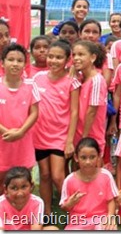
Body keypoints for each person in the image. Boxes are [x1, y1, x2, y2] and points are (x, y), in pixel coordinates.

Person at [32, 40, 80, 215]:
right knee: (44, 175)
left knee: (58, 176)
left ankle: (74, 211)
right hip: (39, 135)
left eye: (59, 57)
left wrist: (69, 141)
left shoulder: (72, 81)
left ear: (68, 59)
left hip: (60, 136)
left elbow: (75, 112)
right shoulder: (37, 78)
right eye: (51, 56)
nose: (53, 61)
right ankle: (45, 212)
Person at [0, 43, 40, 188]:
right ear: (2, 63)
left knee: (23, 181)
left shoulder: (30, 85)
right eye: (11, 59)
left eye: (19, 60)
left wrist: (21, 132)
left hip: (23, 143)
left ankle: (22, 211)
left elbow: (34, 112)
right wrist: (7, 132)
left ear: (25, 64)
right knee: (2, 182)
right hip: (3, 143)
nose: (15, 64)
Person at [60, 137, 118, 230]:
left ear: (99, 156)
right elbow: (64, 207)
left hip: (101, 219)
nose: (88, 162)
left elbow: (111, 200)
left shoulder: (106, 175)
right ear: (76, 158)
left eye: (92, 157)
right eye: (83, 157)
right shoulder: (69, 180)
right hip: (77, 222)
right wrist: (70, 204)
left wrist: (110, 217)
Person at [72, 40, 108, 156]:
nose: (76, 58)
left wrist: (84, 138)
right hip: (77, 134)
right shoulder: (79, 78)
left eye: (81, 54)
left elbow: (92, 111)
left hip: (91, 136)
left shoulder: (97, 80)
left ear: (92, 58)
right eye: (74, 55)